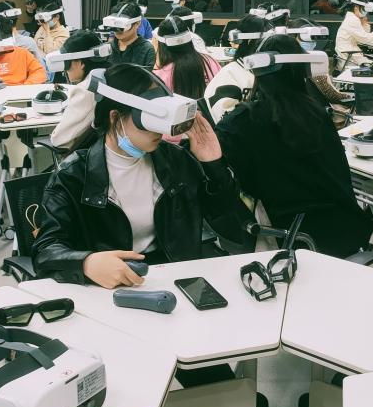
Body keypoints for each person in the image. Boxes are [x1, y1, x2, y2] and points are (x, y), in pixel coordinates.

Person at [33, 64, 243, 286]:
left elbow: (225, 217)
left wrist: (213, 164)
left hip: (174, 276)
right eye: (148, 121)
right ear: (115, 117)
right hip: (107, 288)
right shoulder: (72, 175)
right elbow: (45, 251)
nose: (158, 131)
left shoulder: (175, 160)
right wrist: (86, 263)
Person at [216, 35, 373, 258]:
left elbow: (229, 187)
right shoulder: (317, 114)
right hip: (346, 231)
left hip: (293, 241)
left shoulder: (240, 123)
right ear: (302, 70)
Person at [49, 30, 112, 152]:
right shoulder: (111, 75)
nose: (65, 70)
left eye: (66, 63)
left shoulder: (86, 89)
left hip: (97, 154)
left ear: (80, 63)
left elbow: (59, 140)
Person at [203, 15, 271, 123]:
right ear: (250, 41)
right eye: (268, 41)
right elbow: (227, 122)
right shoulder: (229, 75)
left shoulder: (269, 72)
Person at [334, 0, 373, 69]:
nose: (365, 12)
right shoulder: (353, 19)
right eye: (364, 8)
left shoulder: (351, 18)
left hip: (348, 57)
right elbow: (365, 39)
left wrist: (364, 24)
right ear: (356, 7)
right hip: (350, 59)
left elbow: (361, 37)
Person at [104, 2, 156, 68]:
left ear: (137, 24)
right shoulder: (106, 48)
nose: (117, 29)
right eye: (115, 24)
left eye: (122, 25)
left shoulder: (147, 50)